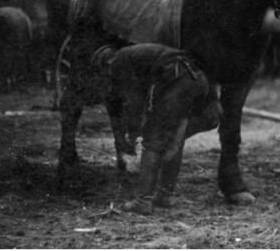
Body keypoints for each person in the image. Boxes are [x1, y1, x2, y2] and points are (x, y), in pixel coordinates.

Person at [91, 43, 218, 215]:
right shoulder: (137, 56)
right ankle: (165, 195)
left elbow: (134, 101)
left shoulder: (119, 60)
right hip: (199, 81)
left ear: (107, 64)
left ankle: (143, 200)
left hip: (179, 81)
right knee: (172, 136)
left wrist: (136, 134)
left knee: (153, 139)